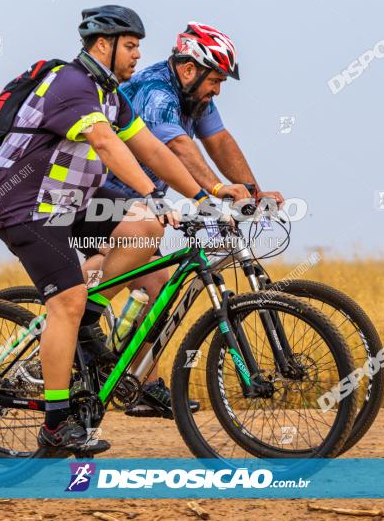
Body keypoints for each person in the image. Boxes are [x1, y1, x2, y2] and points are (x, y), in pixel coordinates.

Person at [0, 5, 209, 453]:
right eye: (131, 46)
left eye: (140, 47)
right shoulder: (71, 83)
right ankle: (55, 425)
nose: (138, 55)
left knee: (146, 239)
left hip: (71, 202)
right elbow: (105, 143)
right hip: (26, 205)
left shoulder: (111, 95)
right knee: (66, 299)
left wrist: (208, 194)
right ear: (102, 45)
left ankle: (94, 330)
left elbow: (154, 150)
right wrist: (153, 195)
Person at [83, 22, 285, 418]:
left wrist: (251, 191)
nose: (218, 90)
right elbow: (177, 145)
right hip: (96, 200)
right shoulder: (156, 92)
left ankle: (139, 382)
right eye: (215, 80)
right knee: (117, 270)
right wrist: (214, 190)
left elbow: (220, 141)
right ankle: (75, 329)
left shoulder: (195, 99)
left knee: (157, 286)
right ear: (189, 69)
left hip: (138, 207)